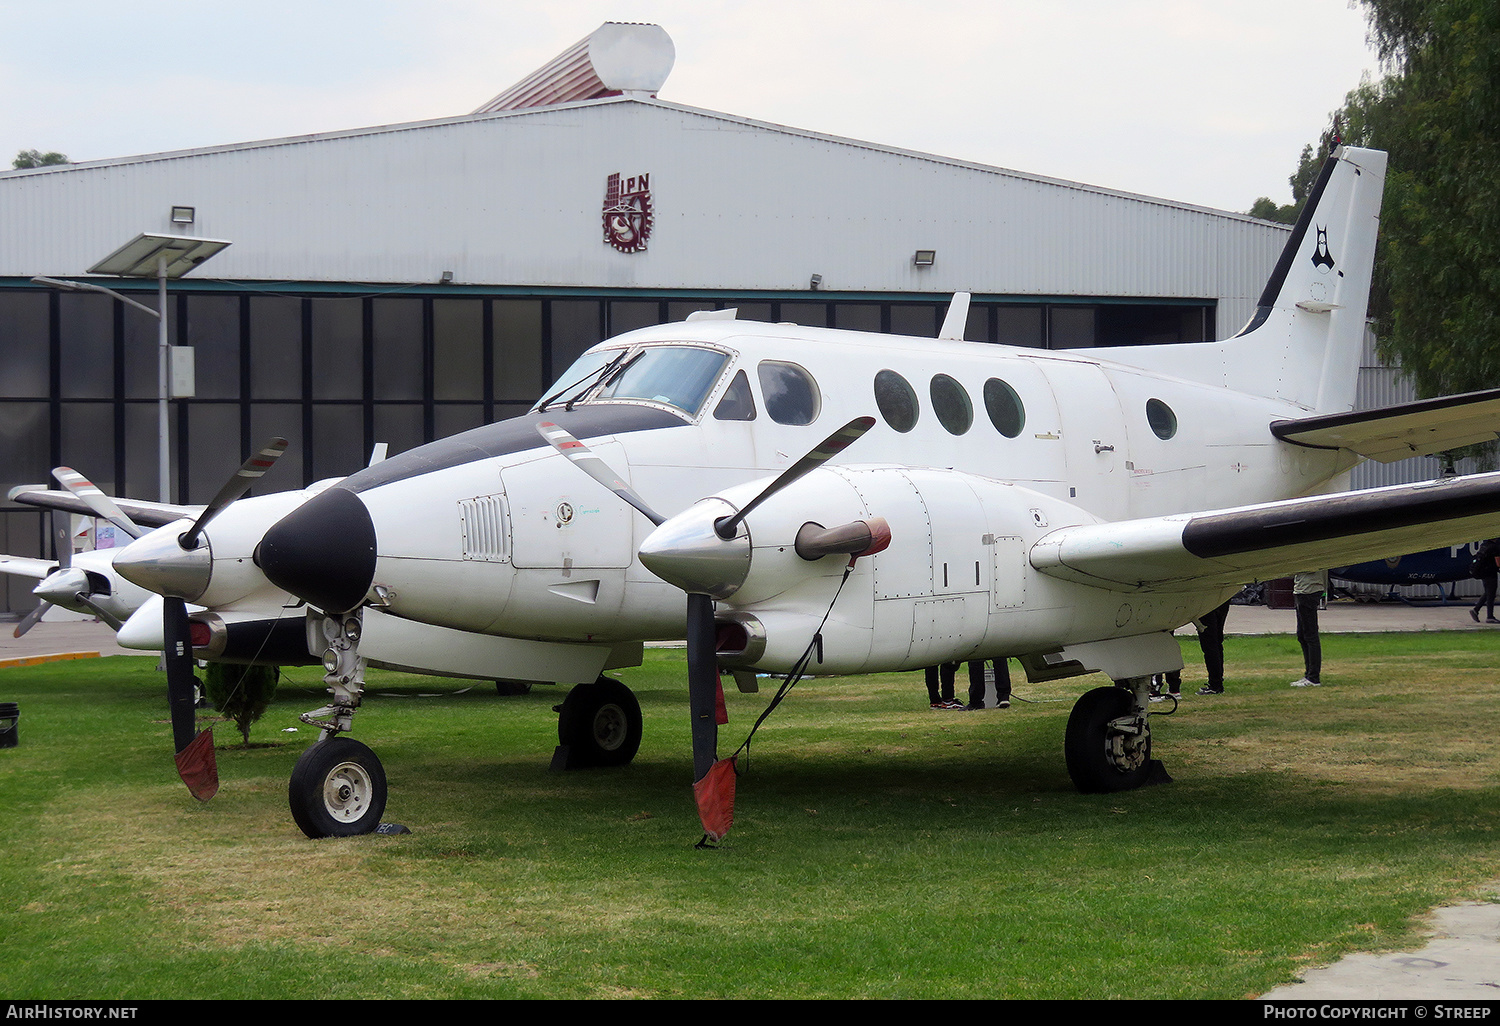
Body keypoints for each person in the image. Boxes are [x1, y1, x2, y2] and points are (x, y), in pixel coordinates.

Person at [1291, 570, 1327, 687]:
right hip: (1302, 589)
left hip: (1309, 590)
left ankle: (1313, 678)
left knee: (1310, 635)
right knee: (1302, 635)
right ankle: (1308, 674)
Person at [1471, 539, 1500, 624]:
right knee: (1491, 594)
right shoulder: (1495, 547)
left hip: (1483, 572)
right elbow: (1498, 563)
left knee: (1488, 592)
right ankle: (1490, 617)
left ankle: (1476, 610)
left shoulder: (1485, 544)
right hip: (1490, 573)